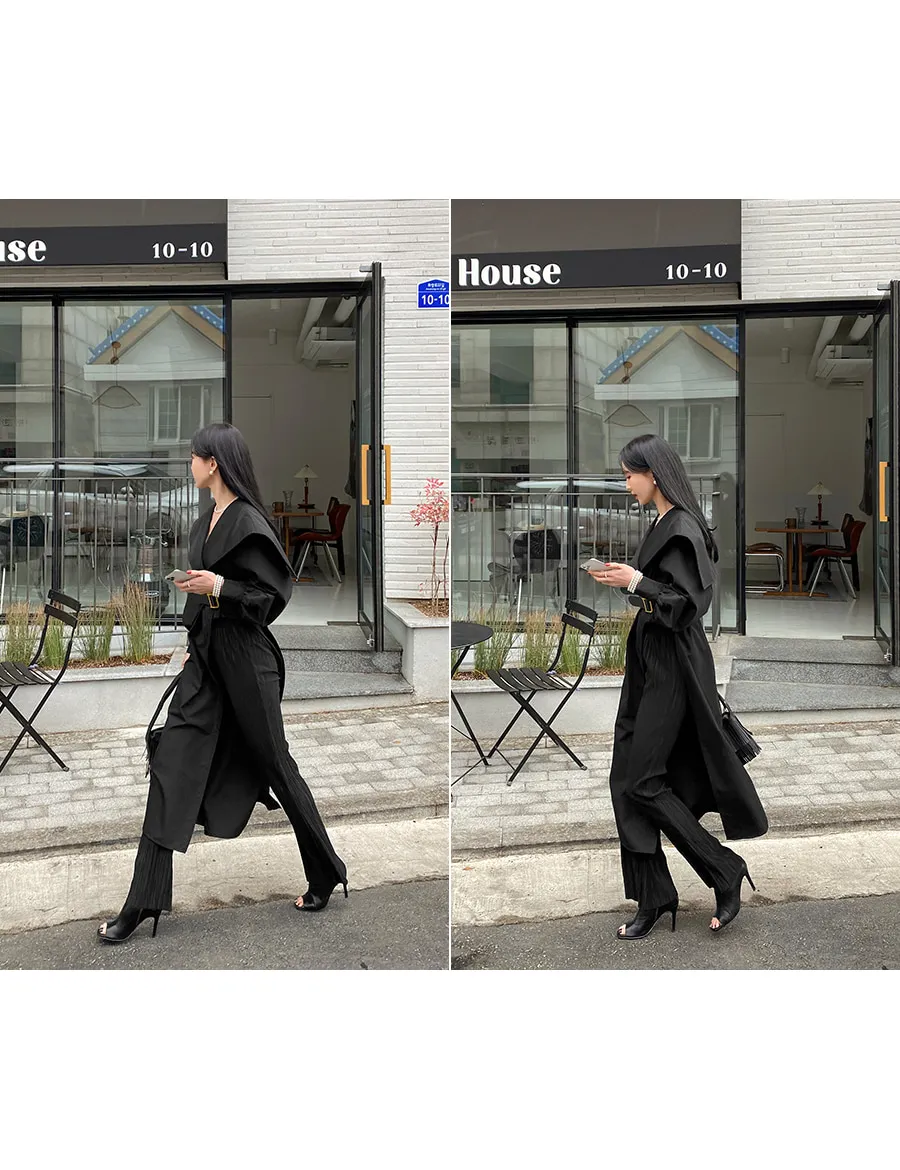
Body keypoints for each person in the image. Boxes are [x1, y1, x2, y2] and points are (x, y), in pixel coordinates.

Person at [98, 422, 347, 943]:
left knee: (277, 766)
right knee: (170, 764)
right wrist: (195, 624)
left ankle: (325, 870)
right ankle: (143, 899)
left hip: (248, 661)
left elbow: (268, 599)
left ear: (213, 463)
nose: (189, 463)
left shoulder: (248, 522)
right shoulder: (204, 521)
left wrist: (220, 585)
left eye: (194, 456)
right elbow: (206, 594)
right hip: (207, 660)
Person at [588, 434, 767, 939]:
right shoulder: (664, 521)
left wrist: (635, 581)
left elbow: (688, 604)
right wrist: (629, 581)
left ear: (654, 473)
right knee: (625, 779)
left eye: (629, 474)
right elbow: (661, 593)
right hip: (650, 658)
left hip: (672, 664)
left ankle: (723, 867)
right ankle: (654, 896)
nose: (626, 483)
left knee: (643, 781)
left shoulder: (683, 526)